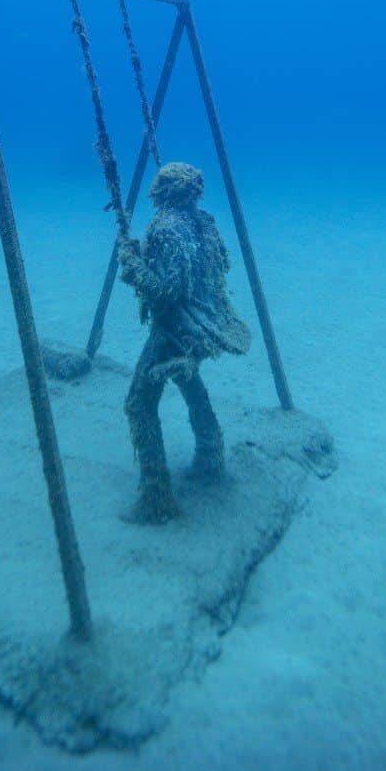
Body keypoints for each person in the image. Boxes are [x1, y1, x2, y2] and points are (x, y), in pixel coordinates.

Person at [117, 161, 251, 524]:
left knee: (139, 405)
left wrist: (132, 265)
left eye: (157, 183)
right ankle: (210, 456)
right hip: (208, 324)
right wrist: (149, 260)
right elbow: (217, 266)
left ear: (162, 191)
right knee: (188, 380)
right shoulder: (205, 222)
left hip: (175, 329)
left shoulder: (164, 228)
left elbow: (165, 292)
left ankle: (155, 499)